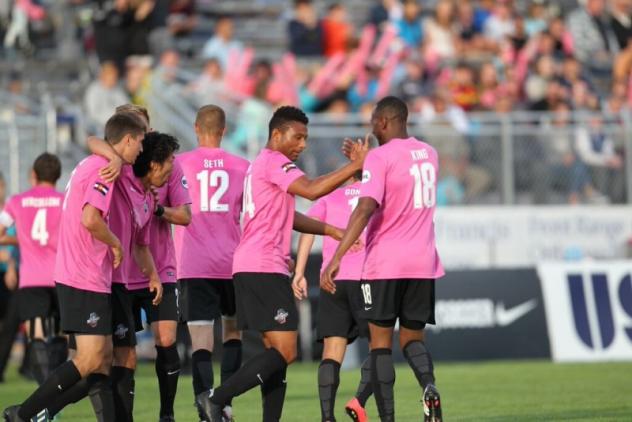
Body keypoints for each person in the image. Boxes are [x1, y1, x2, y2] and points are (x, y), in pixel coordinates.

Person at [203, 106, 368, 422]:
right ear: (276, 134)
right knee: (286, 351)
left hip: (256, 265)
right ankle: (217, 399)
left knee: (275, 355)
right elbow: (312, 189)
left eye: (306, 138)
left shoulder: (260, 166)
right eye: (298, 137)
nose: (302, 144)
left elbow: (287, 215)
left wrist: (331, 230)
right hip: (263, 266)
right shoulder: (275, 162)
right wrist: (355, 166)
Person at [3, 112, 146, 422]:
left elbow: (92, 141)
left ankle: (35, 413)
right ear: (128, 139)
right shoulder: (104, 170)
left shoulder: (93, 161)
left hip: (80, 272)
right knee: (91, 357)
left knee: (103, 359)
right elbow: (90, 219)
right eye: (140, 142)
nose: (141, 149)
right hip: (83, 273)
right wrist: (116, 243)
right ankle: (24, 413)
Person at [322, 96, 445, 422]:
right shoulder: (429, 154)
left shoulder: (380, 157)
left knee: (380, 345)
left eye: (374, 121)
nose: (371, 127)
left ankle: (387, 419)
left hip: (385, 263)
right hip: (424, 262)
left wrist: (337, 255)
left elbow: (364, 208)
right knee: (412, 339)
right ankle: (429, 385)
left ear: (386, 121)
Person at [88, 107, 189, 422]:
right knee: (122, 354)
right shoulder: (119, 167)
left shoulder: (167, 165)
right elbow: (91, 140)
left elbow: (185, 216)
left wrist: (158, 211)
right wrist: (115, 158)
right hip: (122, 272)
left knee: (168, 339)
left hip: (161, 265)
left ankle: (167, 413)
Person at [174, 105, 249, 422]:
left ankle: (204, 403)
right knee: (233, 333)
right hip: (233, 262)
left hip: (193, 264)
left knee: (200, 341)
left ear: (195, 128)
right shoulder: (243, 166)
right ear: (224, 129)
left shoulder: (178, 165)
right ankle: (225, 405)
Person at [291, 169, 373, 422]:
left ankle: (327, 417)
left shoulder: (329, 198)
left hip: (332, 280)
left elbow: (307, 231)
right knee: (379, 348)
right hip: (366, 277)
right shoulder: (375, 196)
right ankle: (359, 400)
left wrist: (300, 272)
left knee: (332, 351)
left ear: (348, 176)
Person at [0, 153, 66, 388]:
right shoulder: (65, 200)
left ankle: (44, 395)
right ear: (57, 176)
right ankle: (56, 394)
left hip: (32, 280)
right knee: (60, 335)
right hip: (61, 278)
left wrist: (23, 241)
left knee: (36, 336)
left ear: (34, 175)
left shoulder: (17, 201)